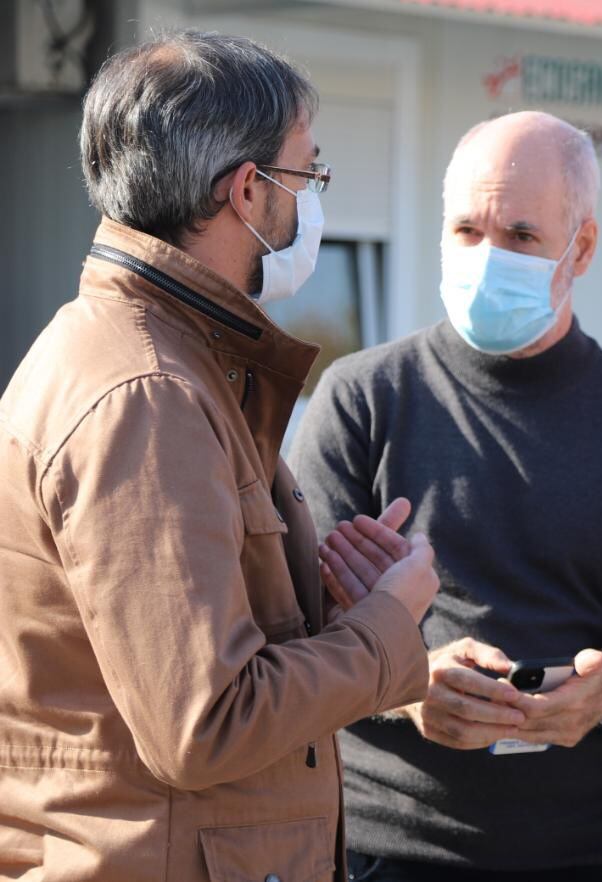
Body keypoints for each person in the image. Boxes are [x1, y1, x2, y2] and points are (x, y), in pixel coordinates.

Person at [0, 32, 440, 882]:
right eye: (309, 174)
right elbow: (207, 721)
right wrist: (390, 624)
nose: (315, 200)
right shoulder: (148, 393)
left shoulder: (163, 359)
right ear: (246, 191)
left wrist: (322, 605)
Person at [289, 110, 602, 881]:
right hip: (384, 850)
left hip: (593, 853)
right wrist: (409, 683)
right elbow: (295, 630)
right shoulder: (361, 399)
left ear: (581, 248)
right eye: (466, 231)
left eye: (520, 236)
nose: (487, 258)